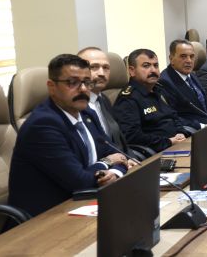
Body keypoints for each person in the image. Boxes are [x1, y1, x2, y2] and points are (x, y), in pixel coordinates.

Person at [9, 54, 130, 217]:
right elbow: (80, 182)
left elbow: (117, 154)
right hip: (48, 216)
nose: (83, 89)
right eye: (72, 82)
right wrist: (107, 162)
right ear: (52, 87)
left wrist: (115, 172)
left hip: (86, 202)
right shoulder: (43, 125)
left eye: (87, 82)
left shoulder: (86, 113)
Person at [113, 48, 193, 153]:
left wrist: (181, 132)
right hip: (157, 153)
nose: (153, 70)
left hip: (177, 145)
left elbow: (174, 116)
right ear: (132, 71)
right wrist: (169, 142)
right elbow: (132, 136)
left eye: (156, 65)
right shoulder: (128, 98)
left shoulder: (158, 90)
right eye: (146, 66)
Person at [77, 47, 128, 153]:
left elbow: (119, 141)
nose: (101, 73)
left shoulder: (104, 99)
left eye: (106, 67)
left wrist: (130, 158)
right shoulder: (73, 106)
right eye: (94, 67)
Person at [159, 39, 207, 128]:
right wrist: (201, 126)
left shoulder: (192, 75)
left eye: (192, 56)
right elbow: (172, 116)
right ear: (171, 59)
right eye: (183, 56)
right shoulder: (165, 81)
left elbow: (206, 105)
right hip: (193, 130)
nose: (189, 61)